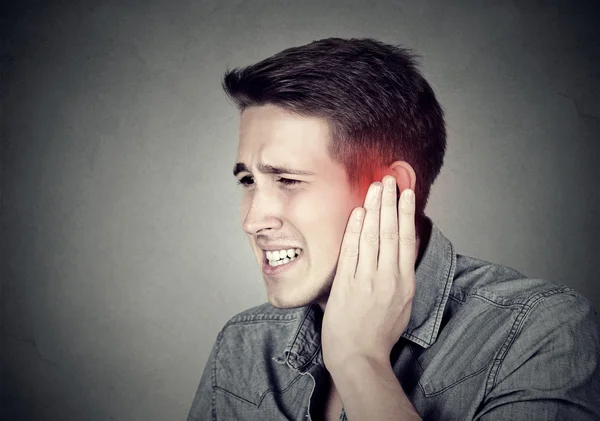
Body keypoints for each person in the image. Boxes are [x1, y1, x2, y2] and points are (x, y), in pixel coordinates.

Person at [187, 38, 600, 421]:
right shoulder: (244, 344)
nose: (252, 220)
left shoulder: (538, 332)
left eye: (288, 180)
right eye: (248, 182)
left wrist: (358, 361)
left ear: (388, 189)